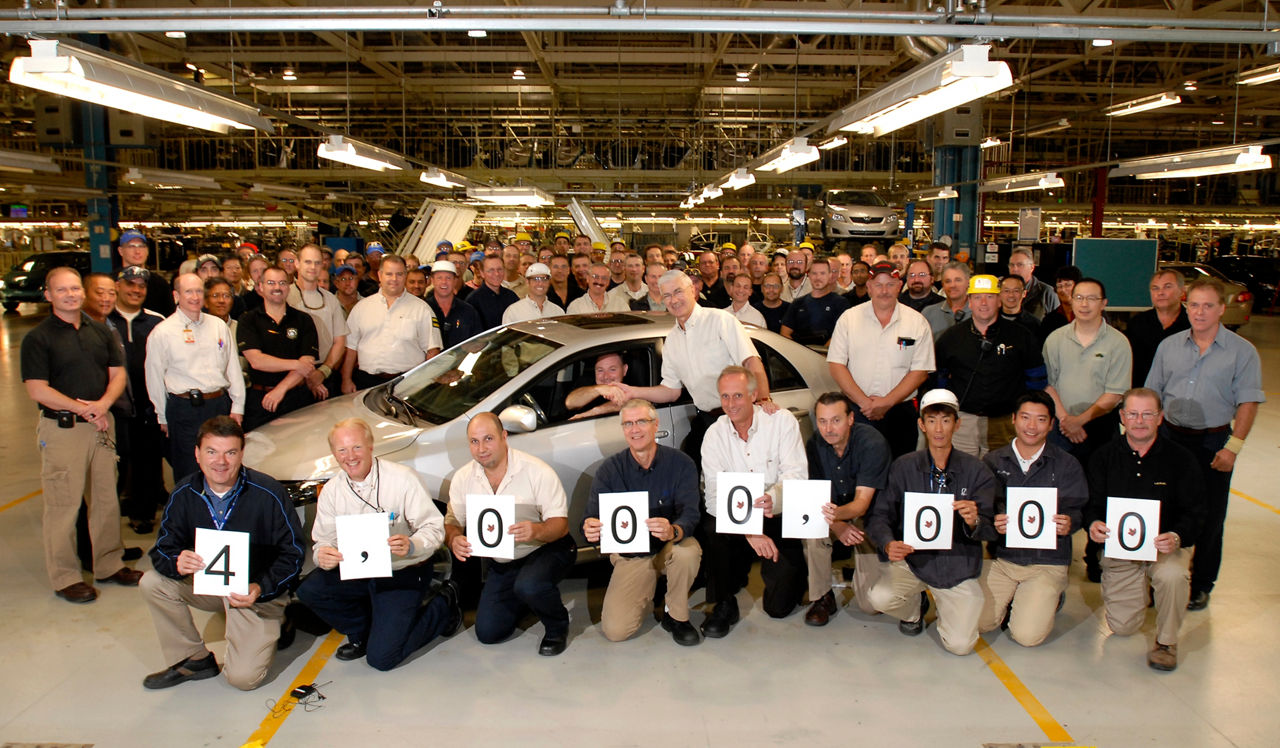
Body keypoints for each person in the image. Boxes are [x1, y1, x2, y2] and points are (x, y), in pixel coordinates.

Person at [139, 417, 304, 690]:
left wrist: (260, 588)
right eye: (211, 452)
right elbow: (162, 549)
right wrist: (176, 561)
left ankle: (282, 617)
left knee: (243, 679)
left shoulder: (268, 493)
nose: (221, 462)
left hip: (253, 594)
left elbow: (294, 553)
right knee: (153, 583)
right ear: (197, 454)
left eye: (230, 452)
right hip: (211, 587)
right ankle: (193, 659)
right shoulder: (184, 493)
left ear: (242, 454)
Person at [295, 419, 461, 670]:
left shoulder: (402, 479)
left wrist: (412, 544)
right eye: (342, 450)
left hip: (403, 570)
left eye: (356, 448)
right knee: (310, 590)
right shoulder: (332, 490)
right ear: (334, 454)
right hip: (358, 569)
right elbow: (323, 540)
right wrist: (322, 555)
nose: (350, 457)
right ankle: (361, 633)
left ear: (371, 446)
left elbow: (434, 528)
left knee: (382, 659)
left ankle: (444, 605)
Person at [21, 266, 141, 604]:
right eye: (62, 290)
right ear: (48, 295)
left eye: (75, 289)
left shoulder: (100, 331)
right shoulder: (38, 338)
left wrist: (102, 405)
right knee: (64, 503)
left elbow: (117, 374)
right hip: (63, 429)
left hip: (101, 424)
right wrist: (83, 409)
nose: (71, 295)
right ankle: (65, 576)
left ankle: (108, 563)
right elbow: (36, 390)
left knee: (106, 499)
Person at [1146, 277, 1263, 611]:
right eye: (1194, 305)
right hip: (1170, 438)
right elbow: (1153, 393)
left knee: (1210, 518)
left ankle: (1201, 584)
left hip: (1213, 441)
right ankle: (1162, 579)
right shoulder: (1169, 346)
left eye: (1208, 305)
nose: (1199, 312)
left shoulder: (1243, 352)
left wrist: (1233, 447)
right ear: (1186, 306)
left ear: (1222, 309)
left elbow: (1248, 403)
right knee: (1165, 510)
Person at [865, 389, 997, 655]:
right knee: (878, 597)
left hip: (957, 566)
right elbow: (880, 515)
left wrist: (975, 522)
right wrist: (889, 543)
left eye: (946, 420)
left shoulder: (976, 470)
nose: (939, 429)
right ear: (921, 424)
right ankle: (914, 610)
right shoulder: (903, 467)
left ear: (957, 424)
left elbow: (992, 527)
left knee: (960, 645)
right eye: (932, 420)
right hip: (913, 562)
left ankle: (949, 608)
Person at [1085, 388, 1205, 671]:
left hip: (1164, 549)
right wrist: (1093, 525)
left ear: (1160, 418)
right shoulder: (1103, 457)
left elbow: (1197, 512)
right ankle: (1141, 589)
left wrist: (1177, 537)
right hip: (1120, 551)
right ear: (1122, 417)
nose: (1140, 421)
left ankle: (1166, 642)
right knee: (1122, 627)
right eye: (1133, 414)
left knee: (1173, 576)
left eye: (1148, 414)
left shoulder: (1182, 459)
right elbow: (1089, 505)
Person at [611, 270, 774, 470]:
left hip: (741, 417)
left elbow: (751, 362)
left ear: (693, 291)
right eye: (667, 295)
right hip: (708, 420)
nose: (674, 300)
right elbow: (671, 391)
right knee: (699, 478)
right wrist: (633, 391)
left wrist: (763, 402)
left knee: (742, 481)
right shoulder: (672, 340)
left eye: (678, 292)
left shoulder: (720, 320)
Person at [444, 413, 575, 655]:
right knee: (488, 633)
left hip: (547, 548)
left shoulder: (536, 471)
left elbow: (561, 525)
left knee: (530, 585)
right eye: (474, 441)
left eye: (488, 439)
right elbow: (452, 521)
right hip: (504, 561)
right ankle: (526, 597)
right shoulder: (463, 478)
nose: (481, 449)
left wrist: (537, 530)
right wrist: (454, 538)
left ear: (504, 437)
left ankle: (557, 625)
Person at [699, 366, 808, 637]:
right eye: (725, 397)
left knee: (779, 608)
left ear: (754, 395)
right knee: (712, 528)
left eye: (738, 396)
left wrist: (774, 499)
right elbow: (713, 495)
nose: (730, 404)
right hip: (738, 520)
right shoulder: (715, 434)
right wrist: (748, 529)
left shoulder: (781, 421)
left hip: (776, 514)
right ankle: (724, 602)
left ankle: (796, 575)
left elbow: (797, 475)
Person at [583, 400, 703, 645]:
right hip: (632, 554)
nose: (634, 429)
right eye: (628, 423)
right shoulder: (609, 470)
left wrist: (674, 529)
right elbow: (592, 516)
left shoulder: (681, 463)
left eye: (641, 421)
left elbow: (691, 513)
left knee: (688, 554)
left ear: (655, 424)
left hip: (669, 546)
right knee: (616, 631)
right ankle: (647, 589)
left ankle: (676, 615)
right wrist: (590, 527)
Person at [978, 391, 1088, 647]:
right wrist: (993, 522)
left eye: (1040, 420)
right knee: (978, 623)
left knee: (1026, 636)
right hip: (1004, 559)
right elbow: (983, 511)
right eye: (1025, 418)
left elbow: (1078, 509)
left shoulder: (1067, 464)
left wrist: (1070, 522)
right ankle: (1018, 598)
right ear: (1014, 419)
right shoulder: (993, 461)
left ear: (1051, 424)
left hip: (1047, 561)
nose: (1032, 426)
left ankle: (1049, 596)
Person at [1042, 276, 1131, 581]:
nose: (1084, 304)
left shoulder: (1118, 343)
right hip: (1060, 427)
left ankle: (1095, 556)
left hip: (1101, 428)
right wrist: (1066, 419)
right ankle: (1054, 556)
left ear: (1103, 303)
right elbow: (1047, 383)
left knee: (1099, 494)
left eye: (1091, 298)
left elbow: (1115, 392)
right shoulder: (1055, 339)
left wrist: (1082, 420)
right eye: (1079, 297)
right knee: (1058, 495)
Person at [827, 261, 935, 457]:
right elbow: (836, 364)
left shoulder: (917, 322)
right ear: (868, 287)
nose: (884, 291)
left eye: (890, 284)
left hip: (900, 412)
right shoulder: (849, 319)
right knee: (859, 471)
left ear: (900, 286)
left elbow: (920, 372)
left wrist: (887, 402)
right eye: (878, 284)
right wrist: (864, 403)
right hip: (858, 411)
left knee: (900, 470)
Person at [145, 273, 246, 483]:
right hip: (184, 409)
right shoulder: (162, 332)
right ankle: (191, 514)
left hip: (219, 405)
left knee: (224, 465)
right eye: (188, 291)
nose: (195, 296)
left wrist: (238, 406)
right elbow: (154, 377)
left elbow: (233, 368)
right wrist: (161, 415)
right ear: (176, 295)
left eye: (199, 291)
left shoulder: (218, 326)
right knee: (189, 469)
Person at [802, 392, 892, 626]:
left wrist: (838, 518)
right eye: (822, 421)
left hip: (870, 515)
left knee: (870, 606)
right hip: (835, 514)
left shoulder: (872, 443)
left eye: (836, 420)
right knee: (812, 533)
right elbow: (813, 496)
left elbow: (862, 505)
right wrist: (838, 525)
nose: (828, 428)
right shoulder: (814, 444)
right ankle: (822, 597)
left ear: (851, 419)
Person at [934, 274, 1046, 457]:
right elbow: (938, 379)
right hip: (963, 420)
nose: (983, 303)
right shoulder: (951, 337)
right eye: (977, 297)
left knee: (1001, 473)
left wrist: (1021, 411)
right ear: (969, 301)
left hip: (1005, 421)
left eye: (990, 296)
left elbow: (1037, 379)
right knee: (963, 472)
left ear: (999, 300)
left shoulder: (1021, 336)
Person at [111, 266, 169, 533]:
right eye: (130, 284)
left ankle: (142, 513)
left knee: (147, 460)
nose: (136, 290)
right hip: (114, 406)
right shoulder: (104, 320)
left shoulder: (157, 322)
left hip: (148, 404)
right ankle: (110, 517)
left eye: (141, 286)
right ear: (118, 286)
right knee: (116, 465)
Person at [342, 255, 442, 393]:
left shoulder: (422, 309)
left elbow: (432, 351)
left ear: (405, 276)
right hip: (365, 383)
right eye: (389, 274)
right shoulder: (361, 307)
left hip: (408, 384)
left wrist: (425, 384)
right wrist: (346, 379)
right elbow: (351, 348)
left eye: (399, 274)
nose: (394, 279)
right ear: (379, 275)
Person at [236, 266, 319, 431]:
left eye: (282, 283)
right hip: (261, 399)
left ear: (288, 287)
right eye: (271, 283)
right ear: (260, 287)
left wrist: (280, 390)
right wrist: (296, 364)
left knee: (301, 449)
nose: (277, 287)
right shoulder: (248, 320)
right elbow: (257, 361)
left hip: (297, 398)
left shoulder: (304, 320)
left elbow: (307, 362)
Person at [287, 244, 349, 398]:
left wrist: (323, 372)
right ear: (297, 263)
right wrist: (304, 374)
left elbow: (340, 341)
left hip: (326, 375)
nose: (312, 267)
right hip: (291, 376)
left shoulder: (330, 300)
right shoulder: (284, 296)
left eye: (317, 262)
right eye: (307, 262)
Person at [1126, 269, 1190, 387]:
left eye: (1167, 287)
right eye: (1155, 288)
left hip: (1179, 392)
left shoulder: (1192, 323)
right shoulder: (1137, 323)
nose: (1160, 293)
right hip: (1142, 392)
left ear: (1182, 291)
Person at [780, 258, 849, 346]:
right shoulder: (797, 303)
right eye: (814, 273)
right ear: (808, 275)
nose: (818, 277)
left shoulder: (841, 303)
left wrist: (822, 354)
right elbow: (785, 333)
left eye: (822, 273)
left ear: (830, 275)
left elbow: (842, 334)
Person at [425, 259, 482, 350]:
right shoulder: (424, 310)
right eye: (439, 278)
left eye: (448, 278)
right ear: (432, 280)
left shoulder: (468, 311)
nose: (444, 282)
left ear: (455, 280)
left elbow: (478, 342)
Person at [117, 229, 175, 316]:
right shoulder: (111, 281)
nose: (137, 251)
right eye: (131, 246)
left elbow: (170, 316)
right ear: (120, 251)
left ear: (147, 251)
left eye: (141, 246)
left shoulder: (160, 284)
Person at [566, 351, 631, 421]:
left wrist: (597, 411)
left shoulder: (633, 385)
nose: (606, 376)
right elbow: (570, 403)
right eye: (600, 370)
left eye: (612, 369)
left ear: (624, 370)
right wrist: (598, 389)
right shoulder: (585, 382)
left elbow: (631, 402)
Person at [467, 255, 520, 329]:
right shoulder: (473, 300)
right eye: (491, 270)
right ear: (482, 273)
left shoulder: (511, 296)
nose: (496, 274)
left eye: (500, 269)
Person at [922, 261, 972, 339]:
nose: (952, 285)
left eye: (958, 280)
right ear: (943, 285)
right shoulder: (928, 313)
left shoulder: (979, 312)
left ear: (968, 282)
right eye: (948, 281)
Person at [1008, 247, 1059, 321]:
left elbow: (1057, 324)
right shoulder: (1002, 291)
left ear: (1032, 267)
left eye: (1020, 265)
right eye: (1012, 265)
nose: (1015, 269)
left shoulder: (1047, 292)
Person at [1038, 265, 1082, 343]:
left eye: (1067, 285)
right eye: (1059, 286)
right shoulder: (1049, 320)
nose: (1063, 290)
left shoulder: (1092, 314)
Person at [566, 262, 631, 314]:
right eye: (595, 277)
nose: (599, 281)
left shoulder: (620, 304)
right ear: (588, 279)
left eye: (604, 278)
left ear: (608, 282)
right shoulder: (576, 306)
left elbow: (629, 328)